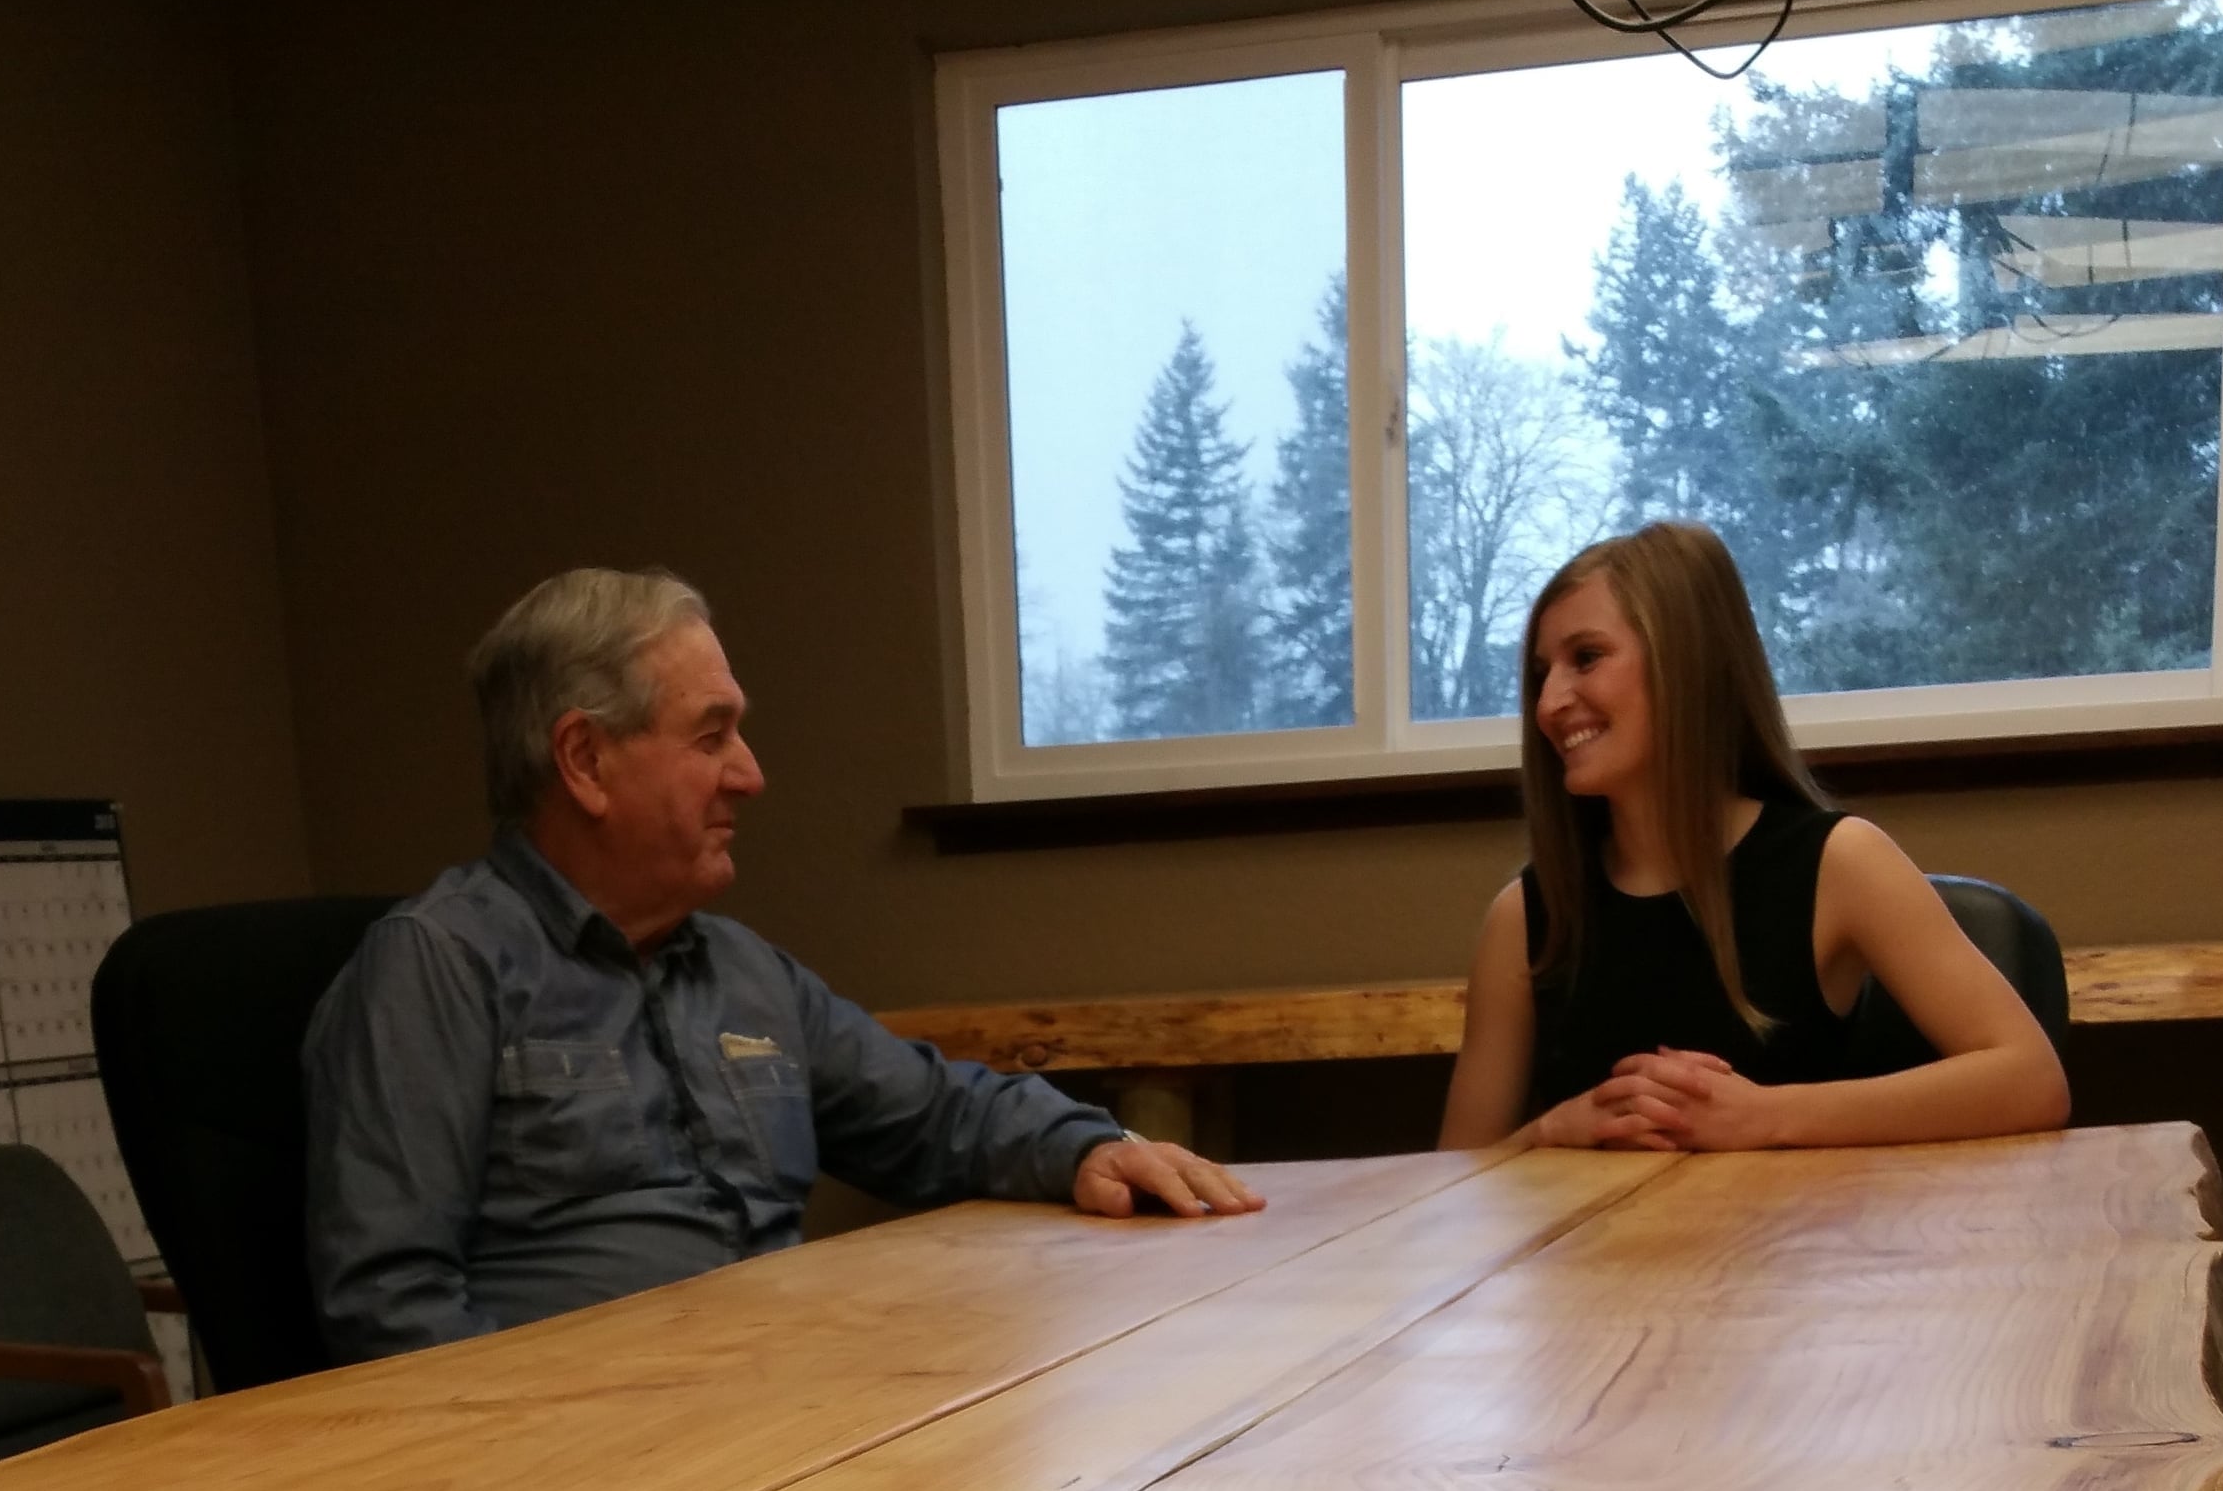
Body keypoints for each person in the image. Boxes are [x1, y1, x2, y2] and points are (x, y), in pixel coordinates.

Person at [305, 567, 1261, 1361]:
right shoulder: (437, 968)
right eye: (711, 736)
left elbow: (938, 1118)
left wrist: (1086, 1146)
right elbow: (389, 1312)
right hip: (577, 1468)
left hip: (782, 1410)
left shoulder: (742, 971)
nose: (750, 775)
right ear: (585, 761)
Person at [1439, 523, 2072, 1155]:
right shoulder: (1523, 918)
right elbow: (1450, 1185)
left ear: (1685, 662)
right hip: (1593, 1253)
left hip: (1794, 1245)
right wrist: (1549, 1133)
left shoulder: (1839, 863)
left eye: (1587, 657)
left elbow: (2030, 1080)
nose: (1549, 703)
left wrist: (1764, 1117)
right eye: (1540, 673)